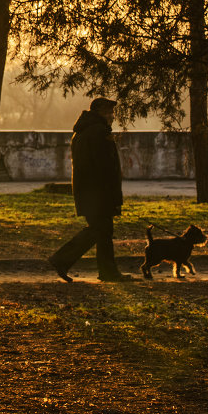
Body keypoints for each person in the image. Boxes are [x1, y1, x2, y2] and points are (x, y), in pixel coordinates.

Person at [47, 96, 130, 282]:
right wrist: (113, 198)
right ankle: (62, 259)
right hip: (99, 194)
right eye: (110, 112)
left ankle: (107, 271)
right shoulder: (99, 132)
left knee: (101, 231)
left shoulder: (83, 131)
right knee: (100, 230)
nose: (113, 116)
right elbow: (105, 169)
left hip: (89, 193)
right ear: (100, 112)